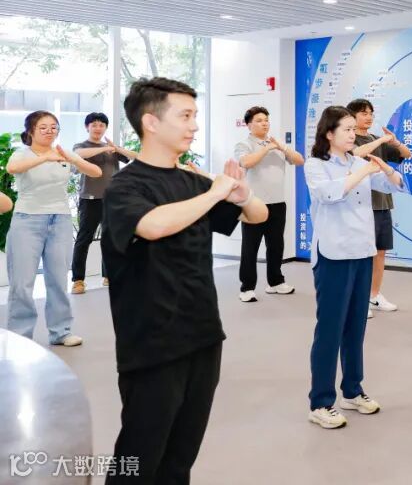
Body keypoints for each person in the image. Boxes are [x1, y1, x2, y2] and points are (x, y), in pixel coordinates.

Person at [102, 77, 268, 483]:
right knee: (138, 461)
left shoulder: (193, 182)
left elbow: (259, 215)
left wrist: (241, 195)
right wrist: (214, 193)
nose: (194, 125)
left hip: (203, 335)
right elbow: (153, 225)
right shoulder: (126, 185)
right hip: (153, 344)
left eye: (195, 116)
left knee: (180, 459)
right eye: (186, 116)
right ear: (151, 122)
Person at [304, 106, 404, 429]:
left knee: (355, 327)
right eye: (346, 129)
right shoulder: (316, 165)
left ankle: (352, 390)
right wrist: (362, 172)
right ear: (329, 133)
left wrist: (385, 170)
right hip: (333, 255)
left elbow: (395, 185)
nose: (352, 134)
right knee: (330, 329)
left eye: (353, 129)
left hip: (362, 252)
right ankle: (321, 402)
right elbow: (329, 194)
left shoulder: (360, 162)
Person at [5, 111, 101, 346]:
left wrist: (73, 159)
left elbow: (96, 172)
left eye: (54, 127)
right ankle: (20, 338)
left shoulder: (62, 152)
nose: (50, 131)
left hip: (60, 220)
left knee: (58, 279)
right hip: (27, 220)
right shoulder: (22, 153)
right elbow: (12, 168)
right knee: (22, 283)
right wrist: (44, 158)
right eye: (43, 127)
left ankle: (61, 332)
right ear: (31, 131)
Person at [347, 99, 412, 316]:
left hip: (383, 202)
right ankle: (359, 299)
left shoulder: (377, 139)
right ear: (352, 116)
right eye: (364, 113)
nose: (369, 117)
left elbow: (406, 154)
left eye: (371, 113)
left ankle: (374, 295)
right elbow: (355, 154)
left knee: (380, 252)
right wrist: (382, 140)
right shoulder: (349, 139)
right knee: (362, 254)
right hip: (361, 205)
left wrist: (394, 142)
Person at [234, 105, 304, 303]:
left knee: (276, 245)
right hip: (253, 204)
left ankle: (275, 282)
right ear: (249, 125)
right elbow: (246, 163)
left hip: (277, 203)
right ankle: (247, 288)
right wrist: (266, 148)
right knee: (250, 247)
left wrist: (283, 147)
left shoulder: (276, 144)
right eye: (259, 120)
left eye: (266, 120)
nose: (264, 123)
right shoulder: (244, 144)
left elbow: (299, 160)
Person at [71, 112, 136, 293]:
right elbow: (78, 154)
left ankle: (109, 276)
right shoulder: (81, 146)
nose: (98, 128)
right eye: (94, 125)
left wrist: (117, 149)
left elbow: (135, 157)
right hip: (90, 199)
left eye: (101, 125)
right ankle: (78, 280)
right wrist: (103, 148)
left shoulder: (111, 148)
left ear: (106, 128)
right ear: (87, 127)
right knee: (84, 239)